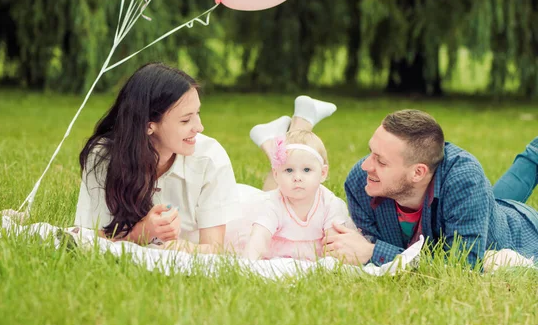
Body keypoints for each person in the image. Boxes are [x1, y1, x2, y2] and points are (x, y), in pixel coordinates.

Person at [323, 109, 538, 267]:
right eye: (371, 152)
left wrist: (372, 252)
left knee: (510, 189)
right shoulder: (361, 182)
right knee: (500, 194)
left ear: (418, 172)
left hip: (516, 232)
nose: (366, 166)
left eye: (381, 161)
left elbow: (462, 265)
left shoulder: (465, 179)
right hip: (479, 207)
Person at [74, 62, 241, 253]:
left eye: (198, 113)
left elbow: (216, 249)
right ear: (148, 126)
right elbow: (86, 237)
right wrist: (140, 233)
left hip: (237, 211)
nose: (199, 127)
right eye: (186, 120)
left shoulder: (209, 158)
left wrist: (177, 247)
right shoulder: (103, 157)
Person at [242, 130, 355, 260]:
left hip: (316, 250)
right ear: (276, 174)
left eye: (306, 170)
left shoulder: (329, 204)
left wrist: (329, 262)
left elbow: (334, 243)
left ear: (323, 173)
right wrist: (248, 263)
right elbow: (259, 238)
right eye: (289, 170)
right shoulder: (273, 203)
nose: (297, 177)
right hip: (277, 250)